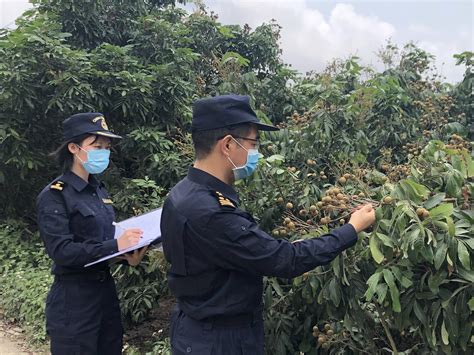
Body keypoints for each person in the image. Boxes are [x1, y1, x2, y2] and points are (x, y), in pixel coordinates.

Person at [160, 94, 376, 354]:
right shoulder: (211, 212)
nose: (256, 153)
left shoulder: (182, 193)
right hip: (221, 340)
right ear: (227, 145)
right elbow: (285, 261)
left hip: (195, 327)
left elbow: (225, 254)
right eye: (253, 144)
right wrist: (351, 228)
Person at [36, 112, 147, 354]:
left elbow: (101, 242)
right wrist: (115, 247)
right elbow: (62, 252)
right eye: (97, 146)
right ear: (74, 148)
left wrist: (126, 256)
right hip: (73, 300)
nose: (104, 152)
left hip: (105, 294)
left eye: (107, 147)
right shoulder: (55, 195)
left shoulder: (99, 191)